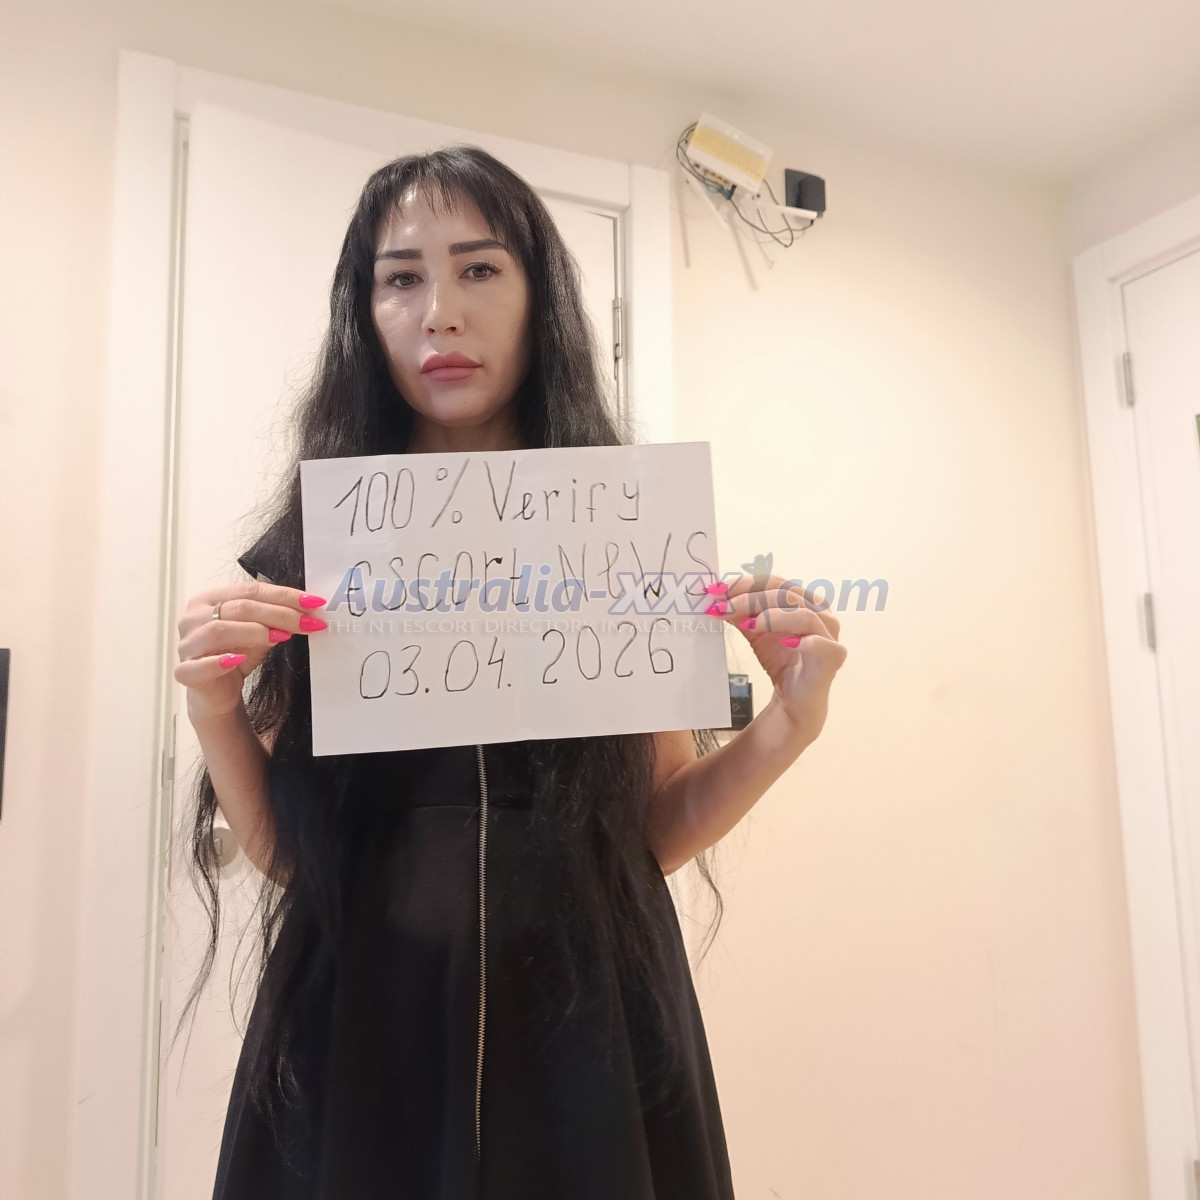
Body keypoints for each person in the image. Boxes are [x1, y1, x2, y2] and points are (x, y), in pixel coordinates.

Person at [172, 145, 848, 1200]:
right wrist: (215, 709)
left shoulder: (620, 529)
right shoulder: (319, 545)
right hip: (364, 1022)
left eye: (480, 269)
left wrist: (788, 724)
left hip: (589, 1028)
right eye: (402, 277)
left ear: (541, 298)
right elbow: (293, 856)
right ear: (366, 311)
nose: (440, 313)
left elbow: (656, 826)